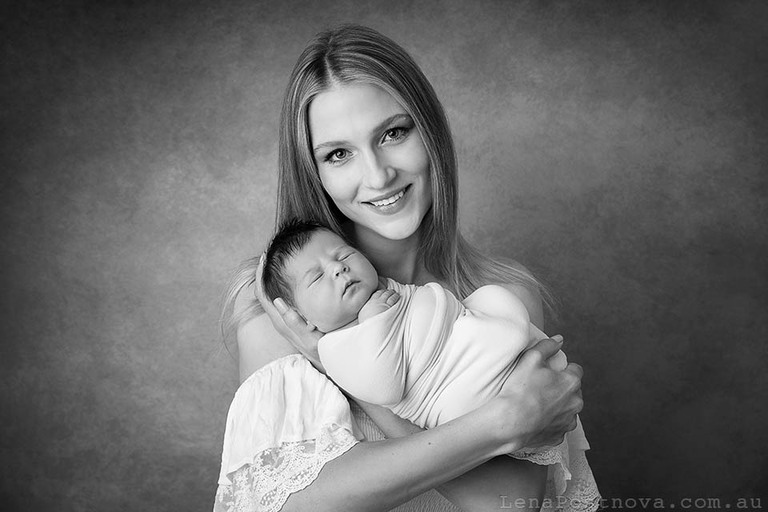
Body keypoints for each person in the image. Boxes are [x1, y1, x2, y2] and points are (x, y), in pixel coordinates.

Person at [215, 24, 596, 512]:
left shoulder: (503, 296)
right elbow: (291, 503)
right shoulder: (284, 307)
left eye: (393, 133)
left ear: (430, 130)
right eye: (338, 154)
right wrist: (502, 421)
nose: (377, 175)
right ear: (316, 174)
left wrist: (333, 364)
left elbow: (509, 504)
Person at [258, 219, 597, 508]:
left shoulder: (386, 288)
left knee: (495, 301)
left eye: (344, 255)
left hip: (485, 343)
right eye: (317, 278)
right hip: (457, 393)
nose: (338, 267)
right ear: (300, 315)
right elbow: (382, 386)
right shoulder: (335, 346)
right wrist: (356, 334)